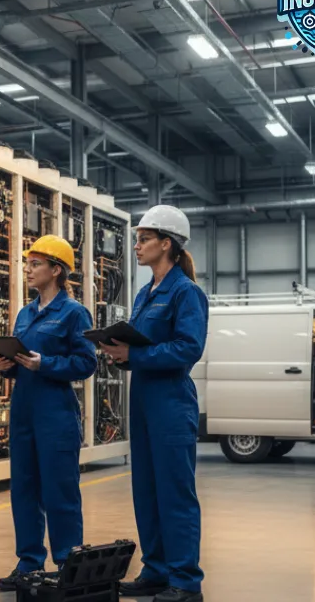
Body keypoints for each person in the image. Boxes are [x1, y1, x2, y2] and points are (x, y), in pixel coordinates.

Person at [97, 205, 208, 602]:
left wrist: (136, 355)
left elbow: (188, 348)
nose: (137, 246)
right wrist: (120, 353)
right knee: (146, 491)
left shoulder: (186, 292)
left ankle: (185, 581)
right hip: (143, 399)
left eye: (144, 239)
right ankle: (157, 570)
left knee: (175, 493)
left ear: (166, 244)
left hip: (171, 402)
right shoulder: (146, 294)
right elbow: (142, 346)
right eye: (137, 239)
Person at [0, 235, 97, 592]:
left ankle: (68, 564)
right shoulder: (25, 313)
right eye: (28, 263)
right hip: (23, 410)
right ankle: (29, 563)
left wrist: (46, 364)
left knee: (59, 491)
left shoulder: (74, 313)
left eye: (35, 264)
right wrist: (6, 366)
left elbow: (86, 363)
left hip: (56, 413)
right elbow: (19, 361)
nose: (28, 269)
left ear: (56, 270)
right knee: (23, 489)